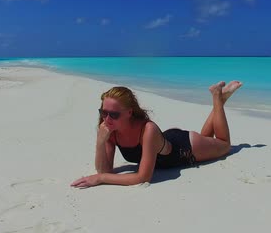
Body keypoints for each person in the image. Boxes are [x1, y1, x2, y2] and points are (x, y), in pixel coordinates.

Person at [70, 80, 242, 188]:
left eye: (114, 114)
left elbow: (143, 177)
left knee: (224, 145)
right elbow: (105, 169)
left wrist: (100, 179)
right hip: (164, 142)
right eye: (103, 112)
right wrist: (101, 142)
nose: (107, 118)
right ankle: (220, 100)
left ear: (129, 112)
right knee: (208, 140)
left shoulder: (148, 129)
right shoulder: (109, 128)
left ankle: (217, 98)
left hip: (185, 148)